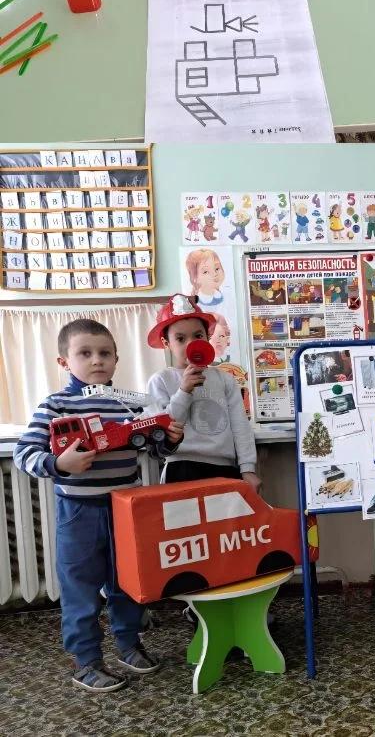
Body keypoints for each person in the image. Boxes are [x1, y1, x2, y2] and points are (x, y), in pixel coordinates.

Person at [13, 319, 182, 692]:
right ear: (64, 361)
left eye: (105, 353)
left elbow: (154, 450)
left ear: (116, 359)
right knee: (81, 588)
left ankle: (129, 644)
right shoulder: (55, 405)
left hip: (127, 509)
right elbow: (24, 453)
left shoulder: (128, 402)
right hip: (79, 512)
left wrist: (169, 439)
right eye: (85, 353)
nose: (97, 360)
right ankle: (86, 661)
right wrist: (58, 464)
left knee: (128, 582)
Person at [146, 295, 260, 488]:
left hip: (224, 468)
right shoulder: (161, 380)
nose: (191, 344)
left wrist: (248, 469)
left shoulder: (224, 379)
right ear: (167, 344)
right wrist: (184, 390)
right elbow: (163, 429)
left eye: (198, 336)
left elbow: (240, 426)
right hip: (180, 467)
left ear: (208, 337)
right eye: (180, 339)